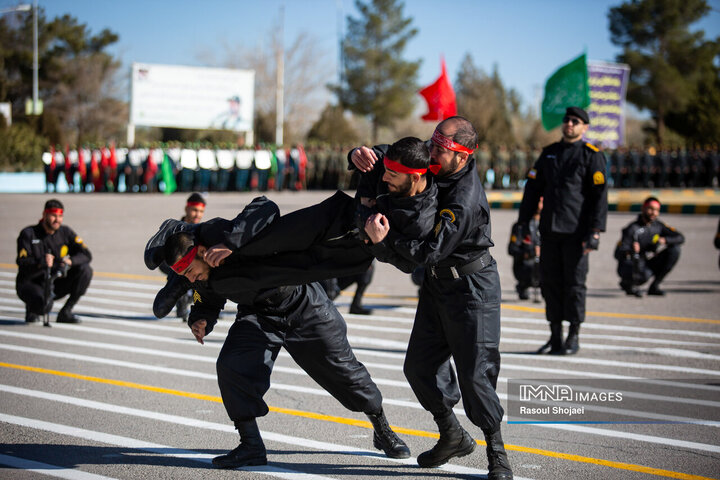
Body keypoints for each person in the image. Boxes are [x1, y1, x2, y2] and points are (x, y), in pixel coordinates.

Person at [144, 204, 410, 469]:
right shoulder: (201, 270)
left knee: (347, 373)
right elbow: (207, 290)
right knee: (232, 366)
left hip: (303, 303)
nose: (191, 279)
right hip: (259, 314)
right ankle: (250, 445)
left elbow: (265, 207)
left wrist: (232, 242)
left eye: (190, 271)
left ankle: (382, 428)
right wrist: (202, 316)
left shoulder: (221, 234)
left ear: (202, 251)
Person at [350, 117, 513, 479]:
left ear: (463, 155)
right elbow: (390, 156)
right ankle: (451, 434)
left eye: (441, 150)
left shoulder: (465, 198)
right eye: (433, 144)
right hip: (438, 286)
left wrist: (383, 242)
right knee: (419, 368)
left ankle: (497, 452)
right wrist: (358, 155)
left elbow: (428, 253)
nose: (432, 154)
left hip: (473, 287)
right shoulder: (432, 157)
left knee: (475, 375)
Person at [517, 106, 608, 356]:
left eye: (575, 121)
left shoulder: (592, 155)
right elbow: (532, 189)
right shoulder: (549, 154)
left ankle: (573, 335)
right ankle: (555, 336)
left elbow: (599, 197)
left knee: (575, 285)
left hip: (577, 233)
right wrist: (523, 221)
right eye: (567, 120)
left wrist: (596, 230)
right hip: (550, 231)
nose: (569, 124)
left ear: (584, 127)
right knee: (550, 284)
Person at [16, 199, 93, 324]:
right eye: (53, 216)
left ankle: (66, 312)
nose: (57, 220)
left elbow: (86, 254)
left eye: (60, 216)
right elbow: (22, 262)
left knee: (85, 270)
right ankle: (32, 309)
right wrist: (41, 262)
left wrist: (70, 261)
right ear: (44, 215)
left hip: (55, 282)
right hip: (32, 282)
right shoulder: (29, 234)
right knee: (43, 306)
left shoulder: (65, 232)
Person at [615, 197, 684, 297]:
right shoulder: (632, 228)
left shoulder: (658, 226)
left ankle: (654, 286)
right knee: (643, 271)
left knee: (675, 250)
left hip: (648, 261)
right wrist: (631, 250)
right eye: (651, 209)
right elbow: (618, 253)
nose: (653, 213)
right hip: (632, 264)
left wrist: (665, 240)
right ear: (643, 208)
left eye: (656, 210)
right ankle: (629, 284)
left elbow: (680, 237)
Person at [157, 193, 206, 322]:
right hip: (170, 264)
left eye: (201, 211)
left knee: (198, 282)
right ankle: (182, 306)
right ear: (186, 209)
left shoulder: (201, 229)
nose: (198, 215)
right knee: (181, 280)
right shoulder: (175, 228)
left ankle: (200, 307)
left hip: (191, 266)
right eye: (195, 210)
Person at [508, 197, 542, 301]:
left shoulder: (548, 225)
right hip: (525, 265)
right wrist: (531, 252)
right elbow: (512, 249)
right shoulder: (521, 226)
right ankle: (523, 285)